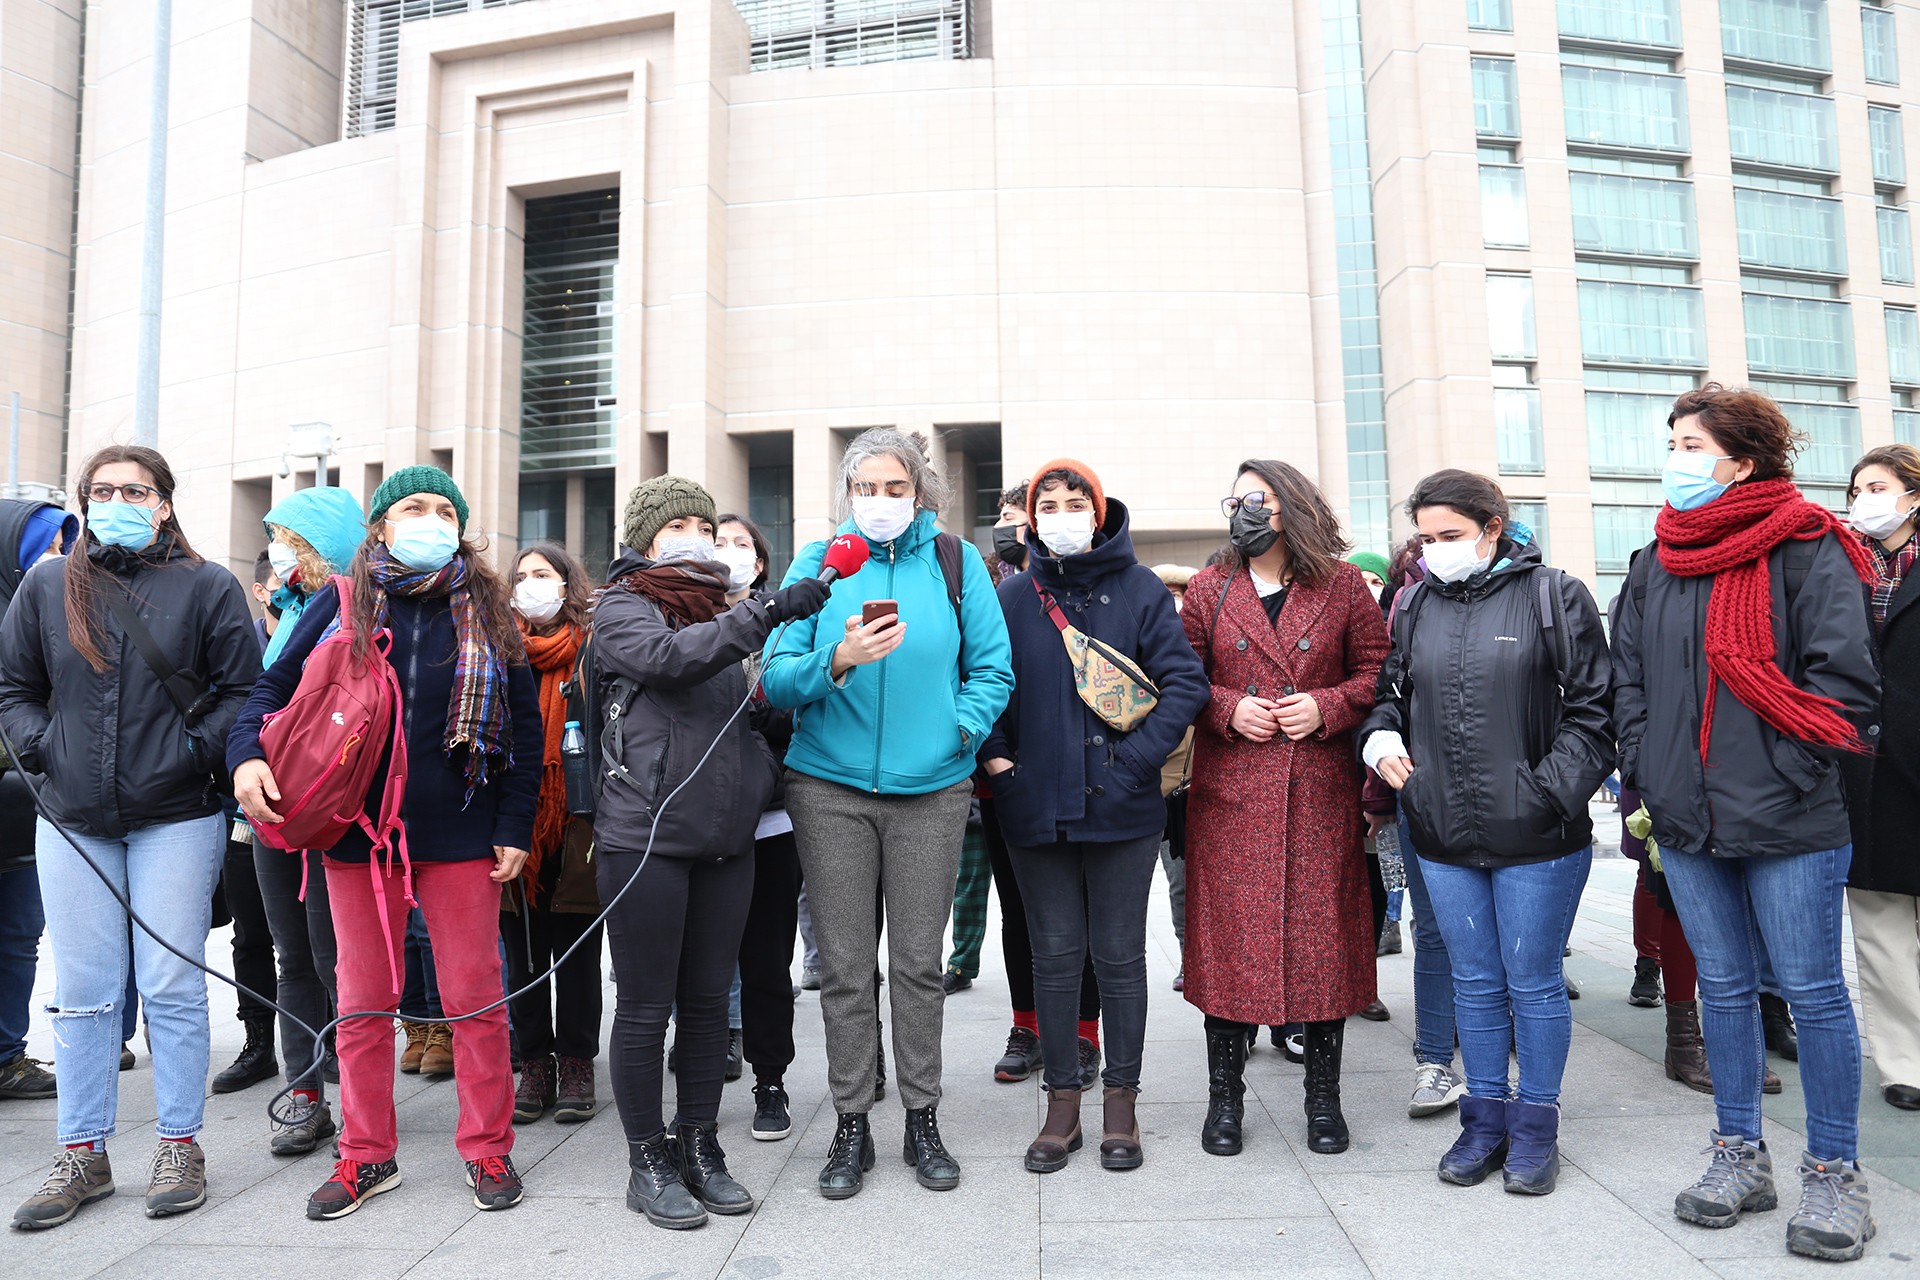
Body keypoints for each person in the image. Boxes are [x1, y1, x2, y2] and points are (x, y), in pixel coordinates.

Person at [1611, 385, 1880, 1262]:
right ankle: (1739, 1153)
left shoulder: (1808, 546)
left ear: (1745, 461)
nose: (1677, 458)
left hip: (1791, 817)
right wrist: (1651, 767)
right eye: (1674, 442)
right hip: (1686, 820)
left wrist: (1783, 771)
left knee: (1811, 993)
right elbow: (1631, 684)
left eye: (1693, 445)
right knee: (1721, 989)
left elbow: (1842, 684)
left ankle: (1836, 1173)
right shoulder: (1656, 558)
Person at [232, 465, 542, 1220]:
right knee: (364, 1002)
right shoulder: (342, 600)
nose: (430, 520)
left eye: (444, 510)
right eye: (412, 508)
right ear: (380, 526)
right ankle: (366, 1157)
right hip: (356, 838)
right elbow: (268, 693)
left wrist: (512, 827)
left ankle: (487, 1147)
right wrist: (245, 755)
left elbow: (526, 735)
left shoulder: (492, 612)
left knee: (475, 1001)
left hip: (462, 835)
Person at [3, 446, 260, 1229]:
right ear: (86, 501)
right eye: (104, 490)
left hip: (175, 816)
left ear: (164, 504)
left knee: (173, 985)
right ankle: (83, 1151)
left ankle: (180, 1142)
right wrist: (48, 751)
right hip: (74, 820)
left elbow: (244, 693)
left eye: (136, 490)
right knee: (82, 994)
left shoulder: (208, 585)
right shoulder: (49, 585)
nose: (120, 499)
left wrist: (191, 754)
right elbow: (15, 689)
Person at [762, 427, 1013, 1200]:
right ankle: (849, 1124)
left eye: (893, 488)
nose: (879, 503)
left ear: (919, 492)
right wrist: (838, 660)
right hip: (828, 788)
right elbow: (774, 678)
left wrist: (959, 730)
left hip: (932, 790)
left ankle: (923, 1117)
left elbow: (992, 669)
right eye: (864, 489)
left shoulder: (957, 561)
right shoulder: (818, 563)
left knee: (916, 964)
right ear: (846, 496)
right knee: (842, 966)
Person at [1360, 471, 1612, 1196]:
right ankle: (1484, 1121)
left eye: (1451, 535)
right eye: (1427, 539)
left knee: (1531, 983)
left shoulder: (1552, 595)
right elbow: (1389, 697)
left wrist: (1545, 793)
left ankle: (1536, 1127)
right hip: (1441, 826)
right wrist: (1378, 742)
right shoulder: (1412, 605)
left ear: (1492, 526)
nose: (1437, 551)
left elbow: (1596, 713)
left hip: (1537, 831)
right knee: (1472, 981)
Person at [591, 477, 830, 1229]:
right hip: (645, 841)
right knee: (645, 1007)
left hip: (728, 841)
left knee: (703, 1008)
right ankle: (647, 1157)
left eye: (704, 522)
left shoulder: (727, 617)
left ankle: (699, 1144)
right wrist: (762, 614)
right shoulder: (622, 607)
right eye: (678, 526)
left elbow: (745, 712)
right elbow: (668, 659)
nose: (696, 535)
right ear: (645, 539)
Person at [982, 460, 1208, 1174]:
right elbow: (979, 681)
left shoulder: (1139, 588)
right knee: (1052, 959)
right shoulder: (1013, 595)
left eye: (1074, 501)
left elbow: (1185, 685)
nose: (1061, 513)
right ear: (1030, 518)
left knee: (1118, 957)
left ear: (1099, 510)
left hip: (1123, 807)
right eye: (1047, 503)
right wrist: (999, 764)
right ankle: (1061, 1106)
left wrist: (1136, 761)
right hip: (1034, 805)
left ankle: (1121, 1102)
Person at [1181, 459, 1389, 1159]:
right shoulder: (1209, 588)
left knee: (1323, 948)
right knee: (1228, 950)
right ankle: (1225, 1100)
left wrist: (1327, 706)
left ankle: (1323, 1101)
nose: (1244, 511)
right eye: (1235, 499)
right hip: (1231, 796)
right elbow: (1183, 676)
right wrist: (1228, 706)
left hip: (1317, 795)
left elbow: (1376, 671)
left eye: (1258, 499)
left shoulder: (1343, 588)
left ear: (1291, 506)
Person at [247, 487, 367, 1155]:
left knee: (334, 958)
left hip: (331, 808)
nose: (279, 551)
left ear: (325, 548)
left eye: (292, 539)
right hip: (270, 806)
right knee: (291, 952)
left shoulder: (348, 614)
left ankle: (359, 1092)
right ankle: (304, 1092)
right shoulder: (287, 613)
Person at [979, 485, 1105, 1086]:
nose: (1018, 527)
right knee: (1019, 910)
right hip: (1012, 786)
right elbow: (981, 678)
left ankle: (1084, 1034)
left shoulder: (1104, 587)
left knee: (1079, 913)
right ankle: (1026, 1025)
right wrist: (1000, 764)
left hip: (1089, 780)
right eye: (1024, 516)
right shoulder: (998, 592)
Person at [503, 542, 603, 1126]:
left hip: (577, 822)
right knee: (520, 955)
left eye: (543, 574)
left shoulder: (592, 646)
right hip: (515, 826)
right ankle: (534, 1062)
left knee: (577, 952)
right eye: (522, 577)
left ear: (567, 585)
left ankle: (577, 1061)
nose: (531, 584)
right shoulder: (497, 646)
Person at [715, 512, 807, 1142]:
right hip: (700, 823)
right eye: (716, 542)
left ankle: (770, 1080)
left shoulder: (785, 627)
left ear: (761, 562)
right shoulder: (682, 622)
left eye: (740, 545)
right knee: (701, 961)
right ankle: (703, 1065)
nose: (728, 554)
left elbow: (792, 707)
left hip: (772, 822)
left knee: (768, 962)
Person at [1838, 444, 1920, 1113]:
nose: (1863, 498)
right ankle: (1905, 1064)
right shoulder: (1842, 567)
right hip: (1865, 772)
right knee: (1882, 932)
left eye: (1878, 486)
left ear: (1913, 497)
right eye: (1857, 487)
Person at [0, 499, 76, 1103]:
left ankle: (6, 1055)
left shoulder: (54, 613)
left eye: (60, 546)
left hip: (26, 808)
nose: (55, 559)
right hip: (21, 786)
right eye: (43, 547)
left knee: (20, 936)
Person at [1148, 563, 1199, 991]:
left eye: (1181, 590)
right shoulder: (1145, 642)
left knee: (1197, 883)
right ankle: (1187, 958)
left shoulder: (1202, 643)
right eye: (1166, 591)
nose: (1174, 598)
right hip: (1155, 784)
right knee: (1175, 881)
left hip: (1197, 785)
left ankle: (1199, 959)